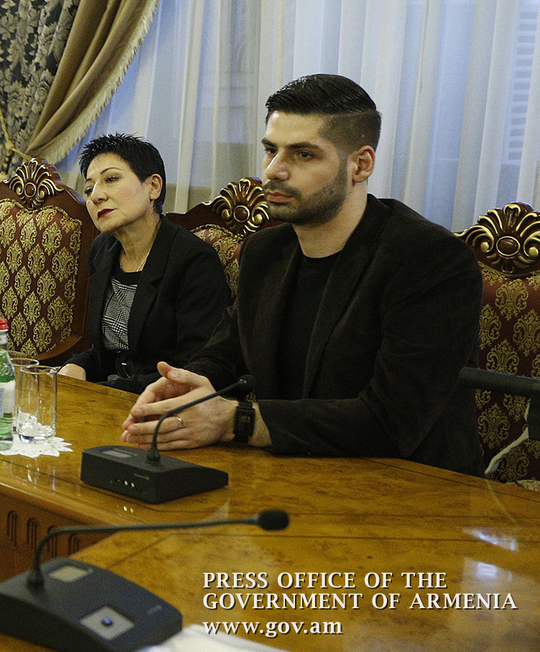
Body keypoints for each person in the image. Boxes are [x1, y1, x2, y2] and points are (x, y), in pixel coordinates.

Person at [121, 74, 483, 474]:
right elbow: (227, 351)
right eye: (270, 150)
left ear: (361, 164)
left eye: (303, 154)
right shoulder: (265, 251)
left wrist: (236, 420)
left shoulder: (429, 259)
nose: (273, 170)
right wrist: (187, 385)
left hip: (410, 487)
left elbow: (391, 420)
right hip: (288, 470)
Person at [59, 134, 229, 393]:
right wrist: (78, 365)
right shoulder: (102, 250)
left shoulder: (193, 260)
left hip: (162, 402)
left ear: (153, 187)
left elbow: (192, 369)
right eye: (89, 189)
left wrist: (102, 391)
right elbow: (110, 351)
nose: (96, 197)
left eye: (111, 179)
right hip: (109, 394)